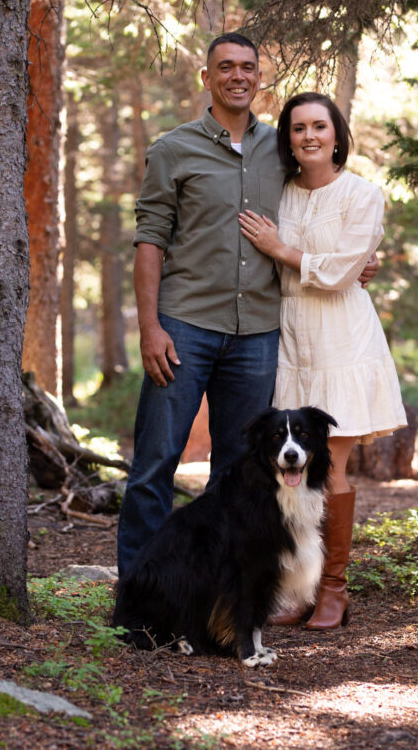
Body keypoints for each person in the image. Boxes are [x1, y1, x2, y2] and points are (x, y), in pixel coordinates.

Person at [117, 33, 284, 577]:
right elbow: (150, 243)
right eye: (226, 67)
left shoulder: (280, 149)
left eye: (248, 67)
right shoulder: (173, 149)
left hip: (257, 332)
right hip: (184, 327)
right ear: (206, 78)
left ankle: (218, 595)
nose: (238, 76)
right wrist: (150, 328)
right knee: (156, 464)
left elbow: (318, 208)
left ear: (259, 76)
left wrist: (357, 260)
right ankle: (140, 597)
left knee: (239, 472)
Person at [239, 91, 406, 630]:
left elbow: (337, 275)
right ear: (287, 137)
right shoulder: (281, 192)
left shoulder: (363, 194)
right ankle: (299, 589)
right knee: (290, 473)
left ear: (337, 135)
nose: (308, 136)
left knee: (327, 467)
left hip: (341, 338)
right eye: (297, 128)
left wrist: (283, 250)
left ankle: (334, 589)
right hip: (288, 337)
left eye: (319, 126)